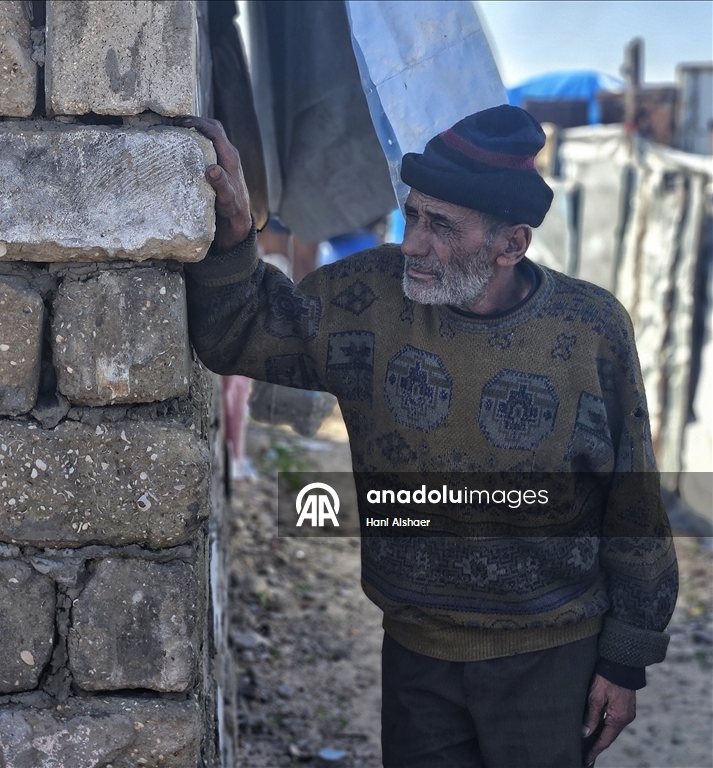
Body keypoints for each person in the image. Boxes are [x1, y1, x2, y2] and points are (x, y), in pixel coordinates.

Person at [177, 106, 678, 768]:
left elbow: (633, 500)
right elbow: (237, 331)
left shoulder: (591, 330)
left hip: (552, 659)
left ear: (511, 245)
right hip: (416, 655)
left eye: (441, 226)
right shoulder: (369, 296)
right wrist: (236, 236)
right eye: (413, 215)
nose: (412, 242)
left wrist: (628, 657)